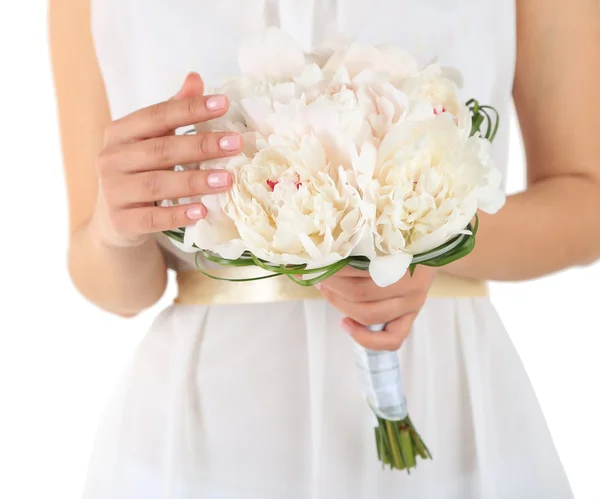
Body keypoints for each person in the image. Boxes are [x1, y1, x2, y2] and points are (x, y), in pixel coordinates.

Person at [49, 0, 600, 497]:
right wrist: (114, 228)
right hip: (199, 442)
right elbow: (110, 281)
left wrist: (430, 236)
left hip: (451, 416)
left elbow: (586, 201)